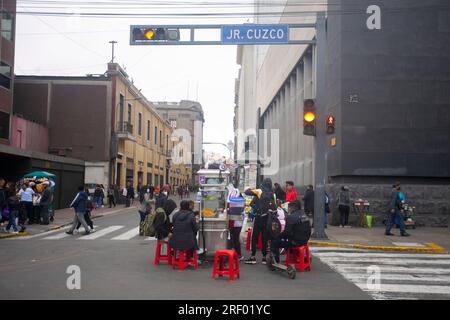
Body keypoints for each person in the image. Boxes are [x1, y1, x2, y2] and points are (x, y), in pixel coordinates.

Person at [245, 178, 277, 265]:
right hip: (268, 219)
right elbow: (275, 207)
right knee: (264, 238)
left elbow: (246, 192)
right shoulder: (273, 194)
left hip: (259, 218)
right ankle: (264, 257)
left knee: (254, 237)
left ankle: (253, 257)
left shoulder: (259, 191)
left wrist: (252, 189)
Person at [227, 184, 246, 261]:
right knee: (233, 238)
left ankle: (238, 255)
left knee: (235, 238)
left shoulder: (238, 202)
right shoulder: (239, 200)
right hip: (235, 222)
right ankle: (233, 254)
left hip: (237, 223)